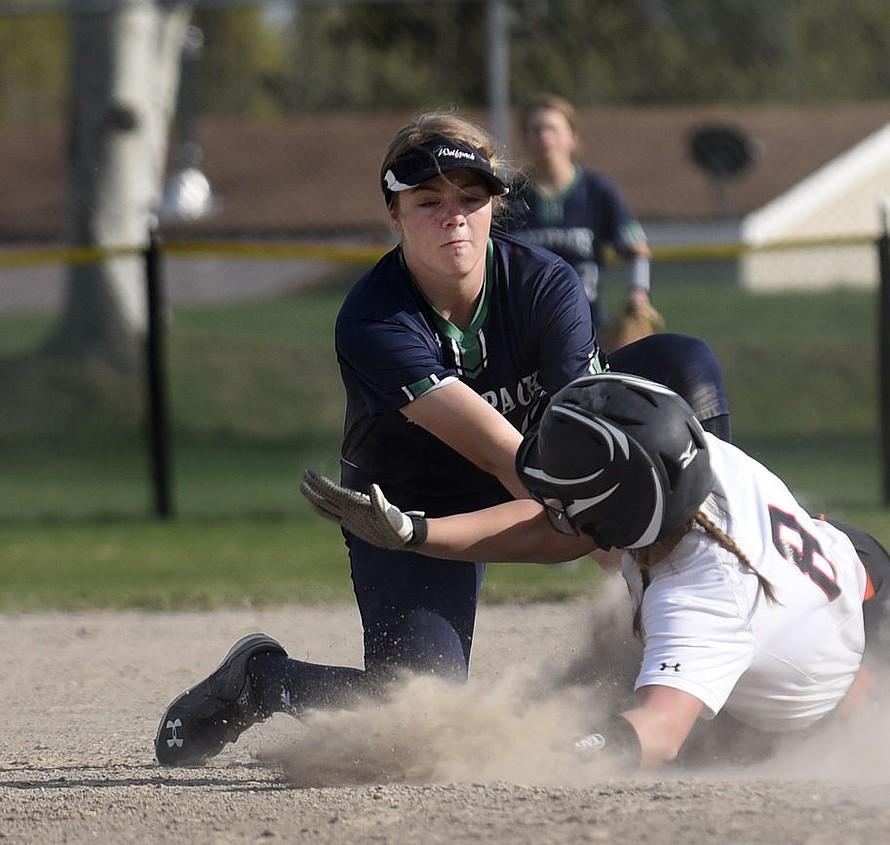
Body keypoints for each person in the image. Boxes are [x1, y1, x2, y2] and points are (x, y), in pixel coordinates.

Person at [154, 111, 730, 767]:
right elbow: (500, 453)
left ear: (495, 207)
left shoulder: (546, 284)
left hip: (542, 463)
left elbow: (583, 438)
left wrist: (679, 575)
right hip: (411, 502)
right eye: (428, 201)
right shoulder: (374, 317)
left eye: (471, 197)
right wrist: (622, 558)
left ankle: (721, 572)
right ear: (394, 214)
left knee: (684, 362)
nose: (452, 215)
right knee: (418, 715)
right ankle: (260, 680)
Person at [299, 372, 890, 770]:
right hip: (850, 562)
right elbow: (550, 530)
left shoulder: (698, 600)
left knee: (691, 742)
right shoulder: (687, 454)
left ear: (618, 520)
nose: (553, 508)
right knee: (595, 683)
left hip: (847, 674)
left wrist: (550, 750)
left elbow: (659, 733)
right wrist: (417, 532)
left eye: (567, 502)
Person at [509, 93, 656, 340]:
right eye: (535, 130)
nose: (545, 136)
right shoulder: (510, 196)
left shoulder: (597, 191)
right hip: (523, 332)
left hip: (587, 327)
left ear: (572, 137)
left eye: (553, 129)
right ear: (524, 139)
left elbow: (637, 251)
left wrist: (638, 296)